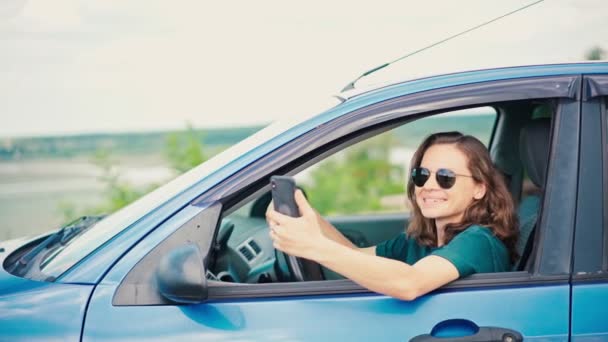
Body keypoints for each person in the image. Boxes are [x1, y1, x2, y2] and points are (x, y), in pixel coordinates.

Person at [266, 131, 519, 301]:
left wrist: (314, 246)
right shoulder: (420, 242)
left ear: (479, 188)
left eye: (445, 178)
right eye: (422, 175)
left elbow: (409, 284)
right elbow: (354, 257)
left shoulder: (480, 241)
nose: (429, 186)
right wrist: (304, 215)